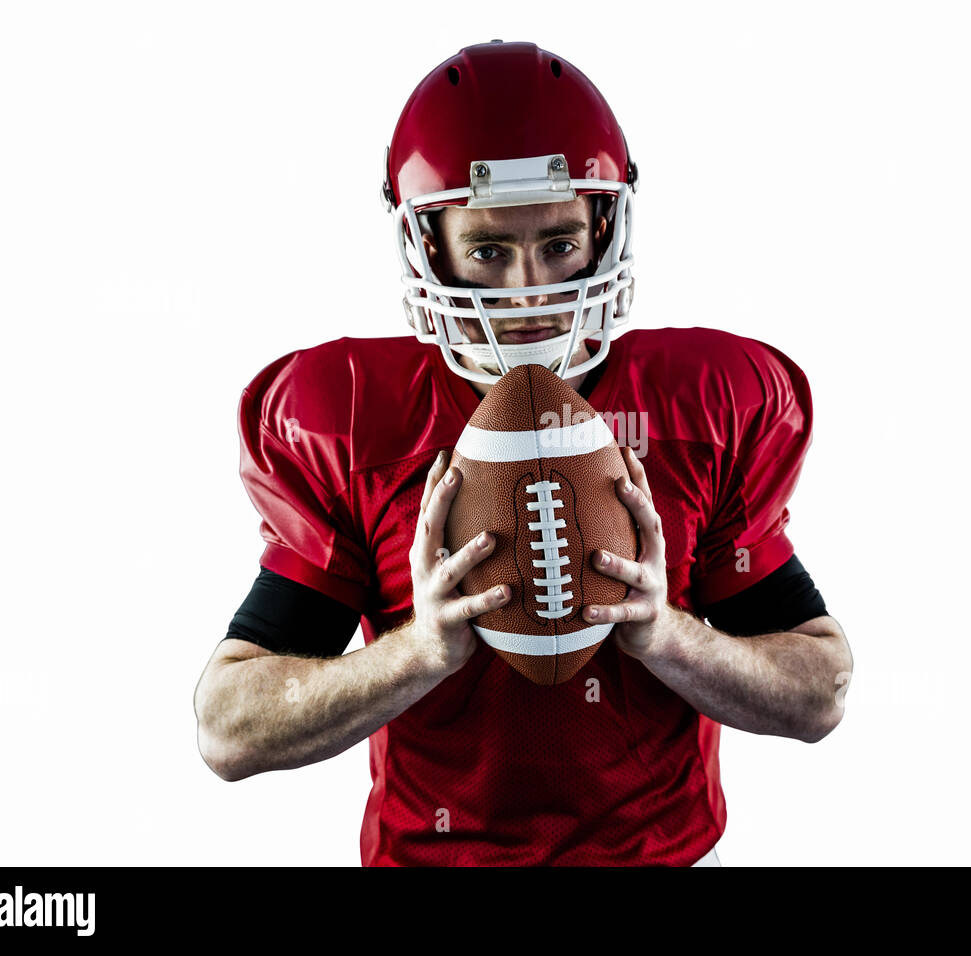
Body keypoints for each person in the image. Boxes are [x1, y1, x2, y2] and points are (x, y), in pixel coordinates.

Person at [193, 40, 852, 867]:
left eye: (560, 243)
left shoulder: (708, 402)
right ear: (428, 247)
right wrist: (418, 652)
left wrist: (667, 636)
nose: (531, 293)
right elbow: (227, 725)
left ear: (605, 229)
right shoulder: (354, 416)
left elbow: (819, 690)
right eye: (490, 252)